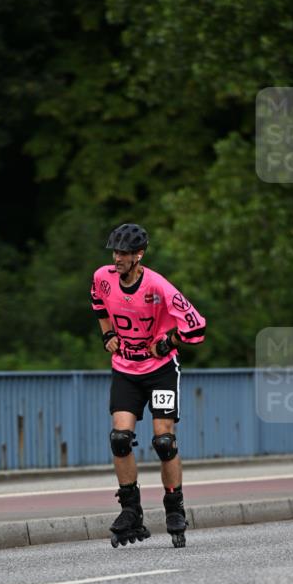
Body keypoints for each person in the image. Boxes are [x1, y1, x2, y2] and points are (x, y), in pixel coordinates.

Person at [91, 223, 206, 548]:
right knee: (120, 438)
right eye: (115, 252)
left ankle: (174, 507)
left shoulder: (159, 287)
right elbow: (99, 304)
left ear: (138, 255)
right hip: (126, 369)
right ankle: (131, 510)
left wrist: (168, 342)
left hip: (160, 372)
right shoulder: (103, 277)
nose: (117, 259)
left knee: (164, 441)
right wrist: (108, 335)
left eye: (124, 253)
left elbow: (197, 328)